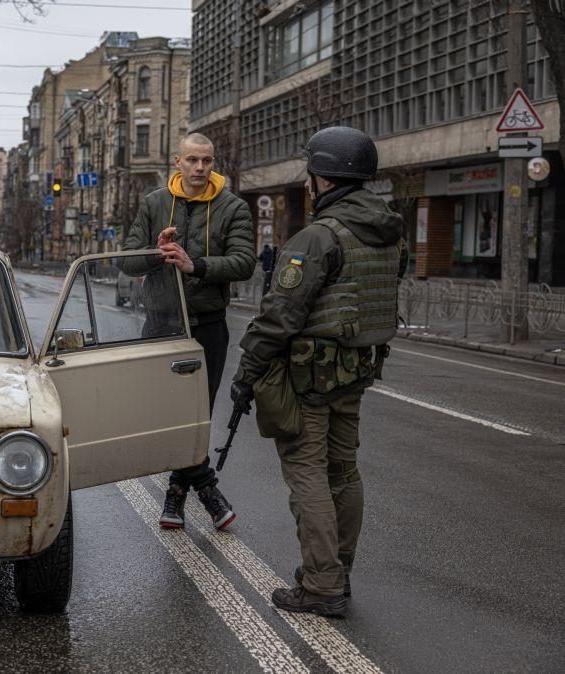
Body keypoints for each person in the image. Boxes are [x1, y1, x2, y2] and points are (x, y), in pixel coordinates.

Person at [230, 126, 407, 617]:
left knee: (306, 471)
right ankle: (337, 569)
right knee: (344, 471)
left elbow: (279, 316)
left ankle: (322, 584)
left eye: (310, 172)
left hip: (309, 378)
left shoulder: (318, 236)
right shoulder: (387, 231)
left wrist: (245, 374)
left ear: (322, 178)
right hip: (355, 372)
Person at [123, 133, 256, 531]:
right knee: (165, 414)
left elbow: (244, 261)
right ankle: (207, 489)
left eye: (207, 160)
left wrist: (195, 264)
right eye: (193, 160)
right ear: (176, 162)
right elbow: (128, 261)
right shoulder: (154, 203)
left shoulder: (233, 207)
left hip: (207, 326)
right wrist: (155, 250)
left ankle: (175, 496)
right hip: (162, 325)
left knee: (197, 415)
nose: (200, 168)